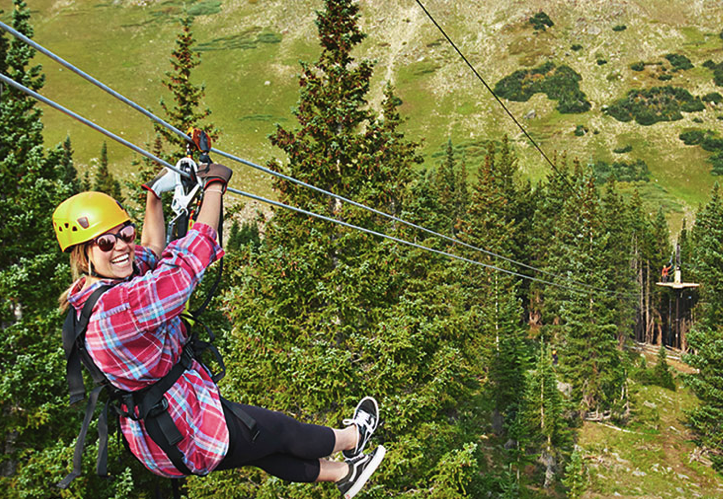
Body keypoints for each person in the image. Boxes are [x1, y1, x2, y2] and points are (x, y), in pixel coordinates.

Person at [53, 164, 385, 498]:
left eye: (125, 233)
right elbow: (188, 262)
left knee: (261, 448)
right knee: (280, 431)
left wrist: (154, 195)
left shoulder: (94, 291)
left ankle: (344, 473)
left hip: (160, 435)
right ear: (83, 255)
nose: (122, 246)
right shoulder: (120, 308)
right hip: (187, 429)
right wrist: (214, 186)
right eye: (106, 242)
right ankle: (354, 437)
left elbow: (152, 251)